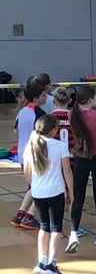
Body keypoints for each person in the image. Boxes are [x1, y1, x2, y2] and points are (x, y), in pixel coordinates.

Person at [22, 114, 72, 274]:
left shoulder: (31, 145)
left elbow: (26, 171)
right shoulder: (60, 146)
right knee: (56, 228)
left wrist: (34, 184)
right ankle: (52, 264)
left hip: (38, 192)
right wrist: (71, 191)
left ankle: (41, 261)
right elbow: (67, 171)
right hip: (55, 191)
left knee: (44, 227)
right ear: (53, 130)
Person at [66, 85, 96, 255]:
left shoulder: (72, 115)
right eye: (95, 97)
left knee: (78, 197)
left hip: (81, 158)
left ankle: (73, 234)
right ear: (89, 99)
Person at [10, 78, 49, 228]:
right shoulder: (39, 113)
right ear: (36, 98)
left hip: (21, 153)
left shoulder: (22, 111)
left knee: (33, 185)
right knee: (40, 185)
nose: (45, 97)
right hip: (34, 153)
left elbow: (16, 130)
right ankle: (28, 216)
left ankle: (20, 216)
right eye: (43, 95)